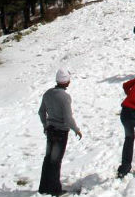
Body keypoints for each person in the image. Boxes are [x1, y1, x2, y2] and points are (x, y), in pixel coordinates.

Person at [38, 68, 82, 196]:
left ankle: (44, 187)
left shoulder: (48, 93)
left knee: (48, 159)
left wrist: (45, 124)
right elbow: (68, 118)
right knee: (56, 161)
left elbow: (41, 112)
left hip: (50, 130)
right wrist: (76, 129)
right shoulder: (65, 97)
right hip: (61, 132)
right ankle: (55, 190)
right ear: (65, 82)